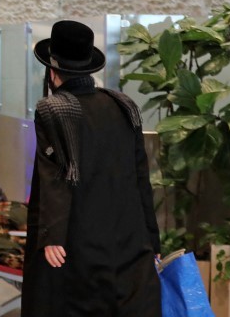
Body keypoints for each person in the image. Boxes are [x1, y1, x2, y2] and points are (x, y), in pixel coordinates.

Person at [22, 20, 160, 316]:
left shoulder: (53, 109)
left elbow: (54, 178)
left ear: (52, 70)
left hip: (77, 238)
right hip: (127, 240)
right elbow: (140, 178)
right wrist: (152, 237)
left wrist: (52, 238)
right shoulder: (123, 104)